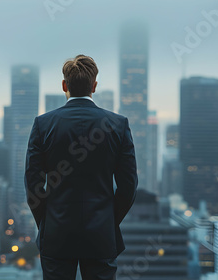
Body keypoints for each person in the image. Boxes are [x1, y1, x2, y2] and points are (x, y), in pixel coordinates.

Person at [24, 54, 138, 280]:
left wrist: (48, 222)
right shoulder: (118, 125)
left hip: (57, 234)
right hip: (100, 236)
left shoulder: (43, 125)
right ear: (94, 86)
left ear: (64, 85)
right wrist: (107, 219)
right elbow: (128, 188)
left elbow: (33, 188)